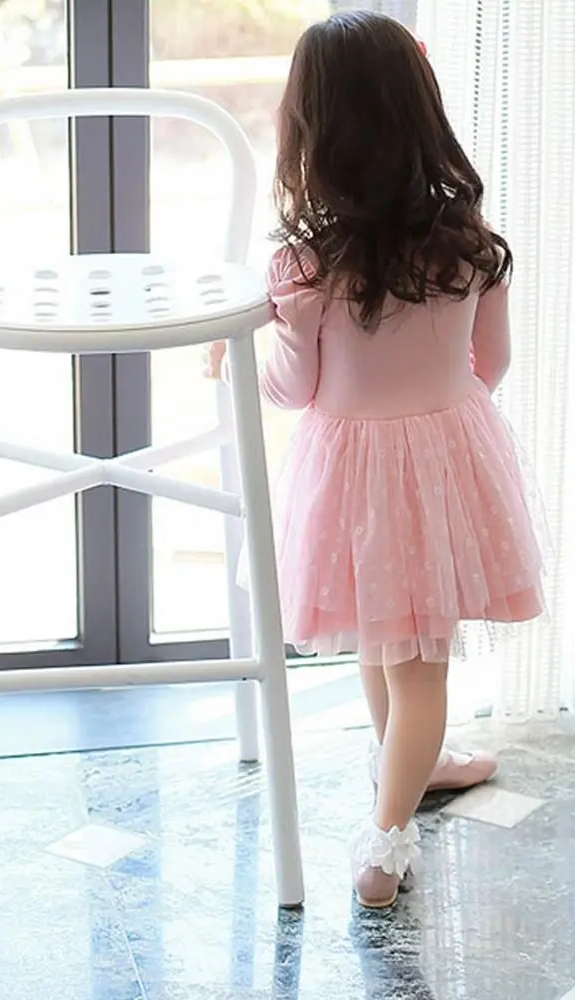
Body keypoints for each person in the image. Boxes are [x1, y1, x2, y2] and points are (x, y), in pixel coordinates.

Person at [205, 10, 543, 908]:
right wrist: (436, 411)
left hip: (353, 471)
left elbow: (292, 389)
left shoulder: (309, 264)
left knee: (392, 646)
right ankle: (411, 766)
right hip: (446, 457)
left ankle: (386, 842)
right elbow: (492, 364)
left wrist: (248, 348)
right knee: (408, 651)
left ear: (312, 128)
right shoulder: (470, 242)